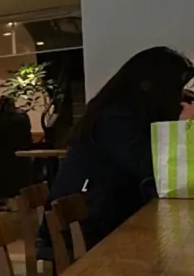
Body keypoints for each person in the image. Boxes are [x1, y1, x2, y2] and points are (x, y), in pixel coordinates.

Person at [42, 47, 194, 252]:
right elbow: (154, 171)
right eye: (181, 89)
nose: (183, 97)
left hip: (108, 218)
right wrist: (183, 128)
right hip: (86, 232)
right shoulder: (115, 118)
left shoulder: (131, 115)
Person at [0, 95, 33, 200]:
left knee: (9, 187)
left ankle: (11, 204)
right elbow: (28, 134)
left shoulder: (0, 119)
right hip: (23, 155)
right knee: (23, 184)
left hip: (5, 156)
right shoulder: (23, 115)